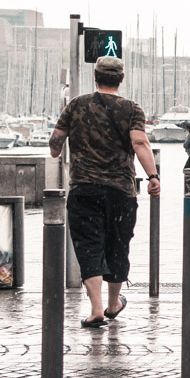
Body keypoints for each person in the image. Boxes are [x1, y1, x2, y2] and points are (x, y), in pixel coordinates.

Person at [49, 56, 160, 329]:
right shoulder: (132, 108)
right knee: (118, 246)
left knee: (89, 247)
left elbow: (55, 142)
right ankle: (113, 304)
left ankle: (96, 308)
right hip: (120, 192)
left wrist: (60, 149)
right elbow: (139, 142)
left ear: (95, 77)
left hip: (84, 189)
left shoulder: (76, 105)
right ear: (121, 79)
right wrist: (153, 176)